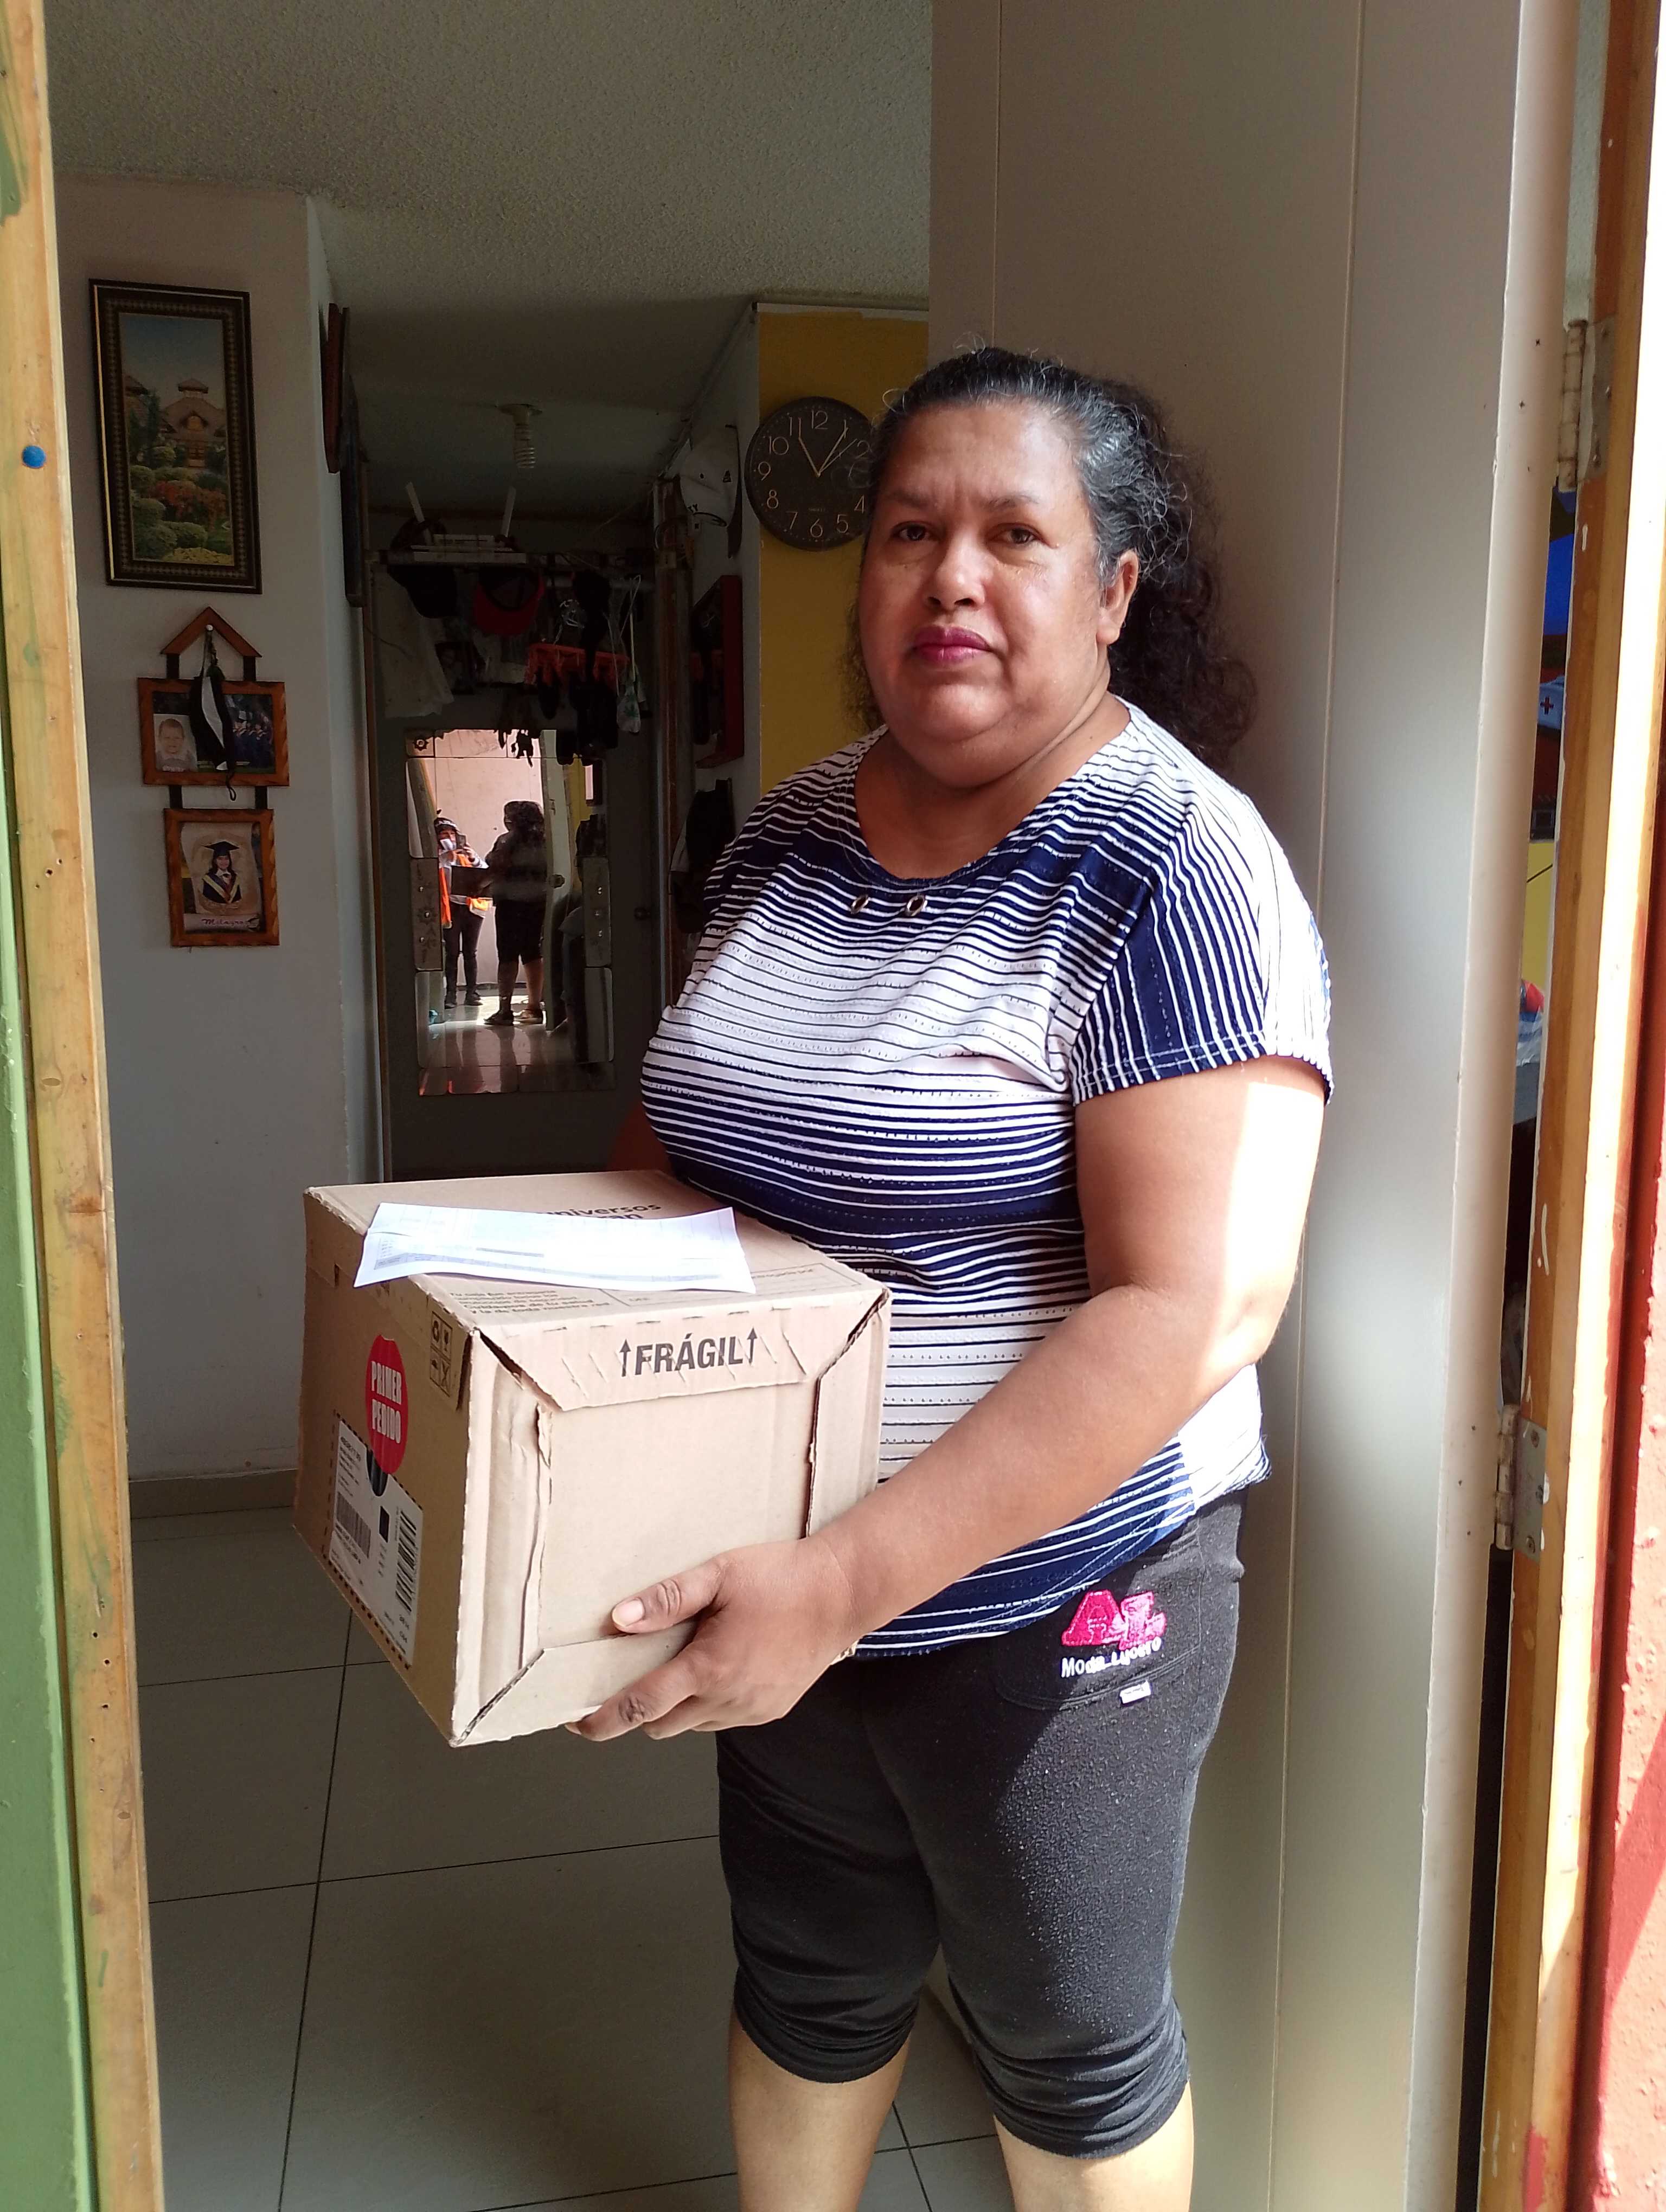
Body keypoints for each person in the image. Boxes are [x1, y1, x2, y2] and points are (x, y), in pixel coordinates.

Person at [582, 348, 1331, 2212]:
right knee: (807, 1972)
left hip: (1050, 1601)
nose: (953, 579)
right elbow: (681, 1143)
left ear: (1116, 588)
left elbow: (1190, 1308)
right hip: (778, 1565)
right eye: (911, 532)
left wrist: (847, 1580)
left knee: (1067, 2040)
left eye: (1015, 534)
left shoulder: (1172, 869)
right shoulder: (787, 832)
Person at [482, 799, 565, 1027]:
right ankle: (534, 1007)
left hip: (510, 904)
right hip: (539, 903)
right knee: (533, 954)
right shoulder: (547, 842)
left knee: (507, 956)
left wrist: (477, 884)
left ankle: (505, 1009)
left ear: (513, 820)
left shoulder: (507, 841)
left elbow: (494, 866)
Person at [434, 815, 488, 1009]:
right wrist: (444, 858)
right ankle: (451, 994)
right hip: (450, 909)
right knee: (452, 952)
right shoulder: (435, 857)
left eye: (452, 834)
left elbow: (485, 872)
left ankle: (472, 992)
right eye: (444, 834)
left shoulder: (466, 853)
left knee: (470, 952)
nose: (449, 837)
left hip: (472, 908)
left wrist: (473, 858)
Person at [198, 840, 241, 906]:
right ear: (215, 861)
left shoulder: (235, 878)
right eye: (220, 859)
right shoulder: (209, 879)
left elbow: (239, 899)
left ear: (230, 860)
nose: (224, 862)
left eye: (226, 859)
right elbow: (207, 901)